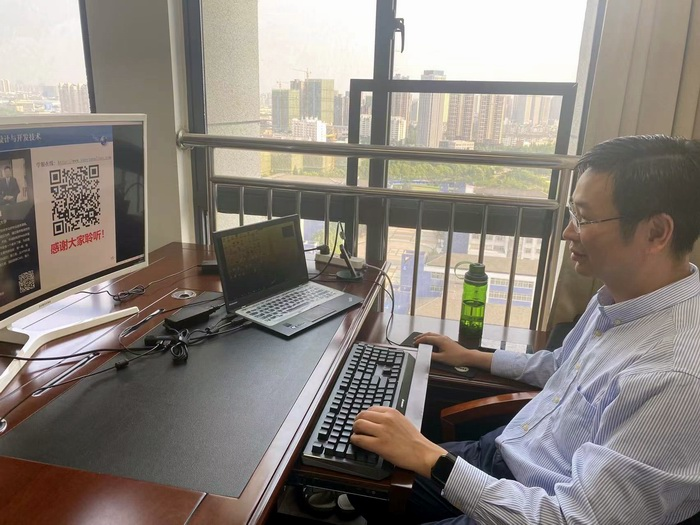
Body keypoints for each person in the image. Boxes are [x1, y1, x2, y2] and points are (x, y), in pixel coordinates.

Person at [350, 134, 700, 524]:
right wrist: (472, 357)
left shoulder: (675, 374)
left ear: (656, 232)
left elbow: (572, 519)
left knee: (372, 470)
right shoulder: (618, 298)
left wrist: (430, 457)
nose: (568, 232)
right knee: (358, 467)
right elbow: (563, 365)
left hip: (537, 508)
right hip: (506, 455)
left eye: (584, 218)